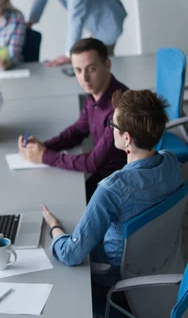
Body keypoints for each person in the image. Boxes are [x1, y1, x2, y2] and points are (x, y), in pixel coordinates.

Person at [40, 89, 183, 314]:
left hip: (115, 278)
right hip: (161, 261)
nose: (111, 130)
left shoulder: (112, 190)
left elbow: (71, 254)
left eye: (112, 126)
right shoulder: (172, 162)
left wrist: (55, 229)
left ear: (126, 137)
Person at [18, 38, 128, 200]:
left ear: (107, 65)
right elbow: (78, 130)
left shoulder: (118, 109)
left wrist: (44, 156)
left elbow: (91, 163)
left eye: (91, 69)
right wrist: (43, 147)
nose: (84, 78)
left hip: (116, 185)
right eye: (77, 70)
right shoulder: (95, 92)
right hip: (102, 174)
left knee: (56, 199)